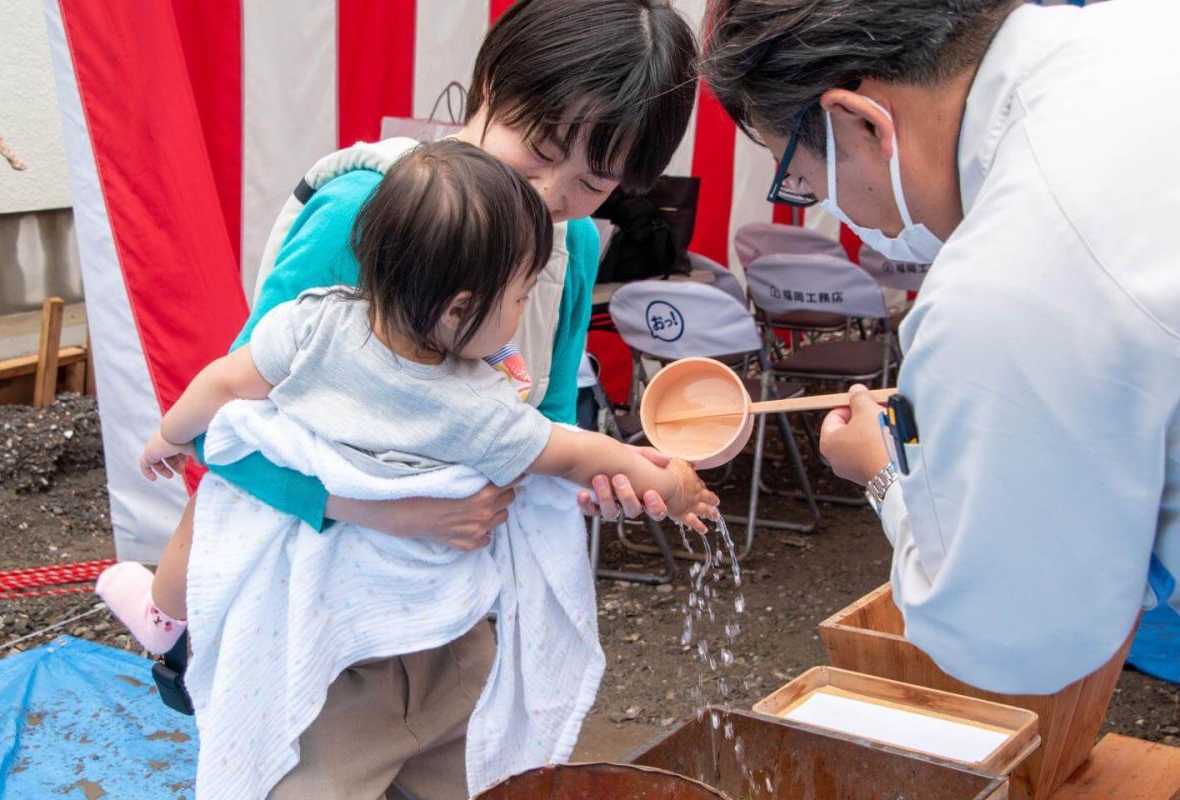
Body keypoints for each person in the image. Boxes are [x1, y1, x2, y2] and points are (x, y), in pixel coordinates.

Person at [702, 0, 1180, 693]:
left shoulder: (1009, 280)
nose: (823, 204)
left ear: (859, 121)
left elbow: (1016, 637)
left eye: (800, 180)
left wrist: (884, 478)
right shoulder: (1139, 30)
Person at [102, 141, 716, 655]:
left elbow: (222, 385)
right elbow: (582, 453)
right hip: (388, 609)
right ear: (460, 309)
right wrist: (675, 483)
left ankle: (163, 615)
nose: (527, 308)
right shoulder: (479, 410)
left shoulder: (310, 324)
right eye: (522, 297)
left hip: (275, 546)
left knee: (226, 490)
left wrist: (171, 436)